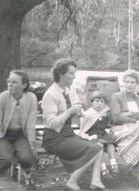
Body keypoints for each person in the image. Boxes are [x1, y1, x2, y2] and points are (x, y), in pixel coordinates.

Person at [41, 59, 104, 190]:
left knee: (98, 145)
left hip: (67, 134)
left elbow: (75, 107)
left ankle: (96, 180)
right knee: (94, 149)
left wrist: (80, 111)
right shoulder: (50, 94)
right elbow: (52, 124)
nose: (74, 76)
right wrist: (69, 111)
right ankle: (72, 182)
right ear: (60, 74)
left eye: (74, 73)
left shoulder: (69, 89)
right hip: (54, 138)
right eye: (71, 73)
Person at [0, 71, 38, 191]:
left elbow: (30, 124)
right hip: (4, 135)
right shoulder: (2, 97)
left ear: (24, 85)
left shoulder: (32, 98)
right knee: (6, 159)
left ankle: (28, 177)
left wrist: (33, 147)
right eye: (9, 81)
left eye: (14, 82)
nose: (10, 84)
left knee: (26, 157)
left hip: (21, 135)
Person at [109, 70, 139, 191]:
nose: (129, 84)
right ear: (123, 83)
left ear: (137, 84)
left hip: (137, 128)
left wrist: (126, 114)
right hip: (120, 129)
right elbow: (116, 118)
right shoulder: (116, 97)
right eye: (127, 82)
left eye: (132, 82)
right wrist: (134, 114)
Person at [78, 91, 119, 179]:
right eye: (96, 101)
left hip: (102, 133)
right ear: (91, 102)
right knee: (98, 147)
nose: (99, 104)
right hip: (91, 134)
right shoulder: (88, 113)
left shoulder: (104, 112)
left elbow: (109, 118)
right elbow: (83, 129)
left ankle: (113, 162)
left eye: (102, 102)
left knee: (110, 143)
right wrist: (87, 137)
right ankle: (103, 169)